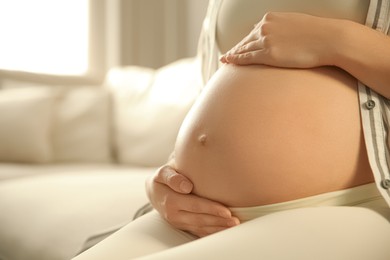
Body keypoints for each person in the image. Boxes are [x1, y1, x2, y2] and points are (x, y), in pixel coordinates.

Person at [73, 0, 390, 259]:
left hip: (343, 206)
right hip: (199, 214)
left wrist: (337, 41)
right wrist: (166, 180)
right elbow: (215, 90)